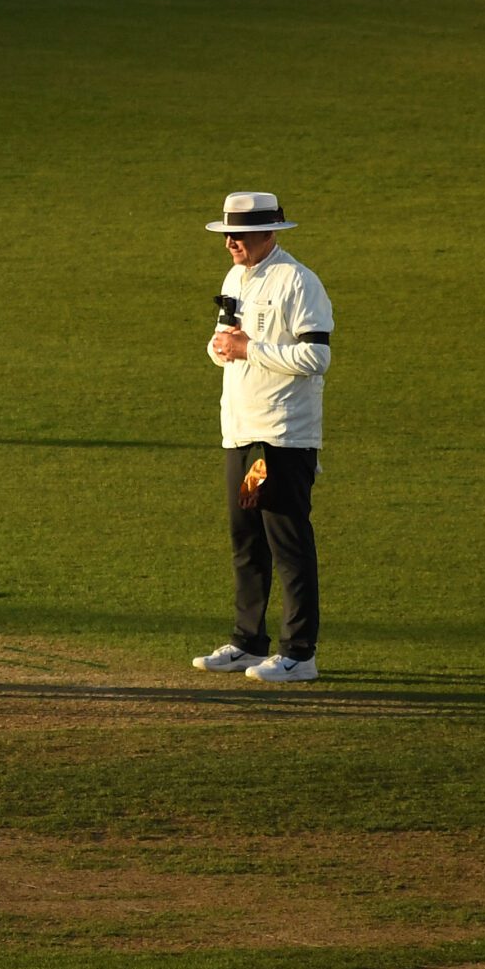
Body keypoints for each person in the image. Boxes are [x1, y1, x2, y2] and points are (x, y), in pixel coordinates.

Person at [192, 191, 333, 683]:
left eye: (239, 233)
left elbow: (316, 359)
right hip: (244, 434)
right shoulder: (236, 277)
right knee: (247, 539)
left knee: (286, 540)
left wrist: (249, 347)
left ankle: (300, 653)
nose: (230, 241)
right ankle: (248, 642)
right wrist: (222, 347)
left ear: (268, 234)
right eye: (227, 233)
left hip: (282, 438)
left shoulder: (299, 282)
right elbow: (224, 341)